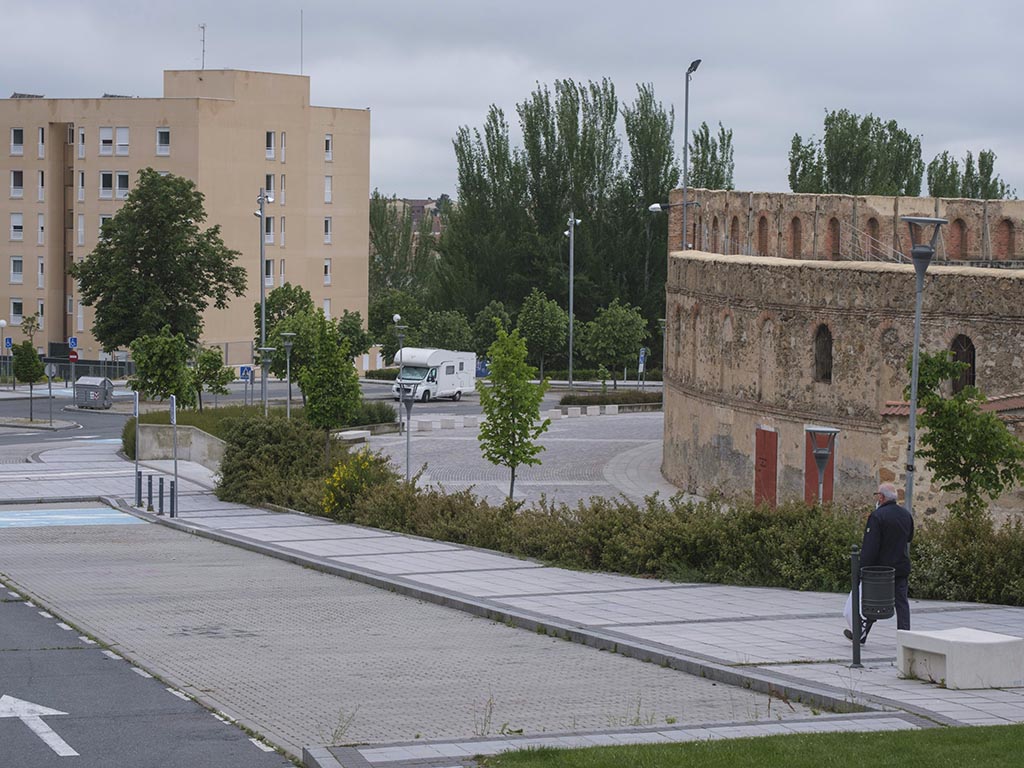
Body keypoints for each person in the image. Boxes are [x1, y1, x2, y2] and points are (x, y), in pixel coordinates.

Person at [844, 482, 913, 644]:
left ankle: (861, 634)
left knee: (873, 602)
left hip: (880, 569)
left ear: (881, 497)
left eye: (877, 495)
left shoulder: (877, 516)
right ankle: (906, 639)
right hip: (900, 566)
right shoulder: (906, 515)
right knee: (901, 603)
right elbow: (909, 537)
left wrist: (862, 569)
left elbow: (871, 546)